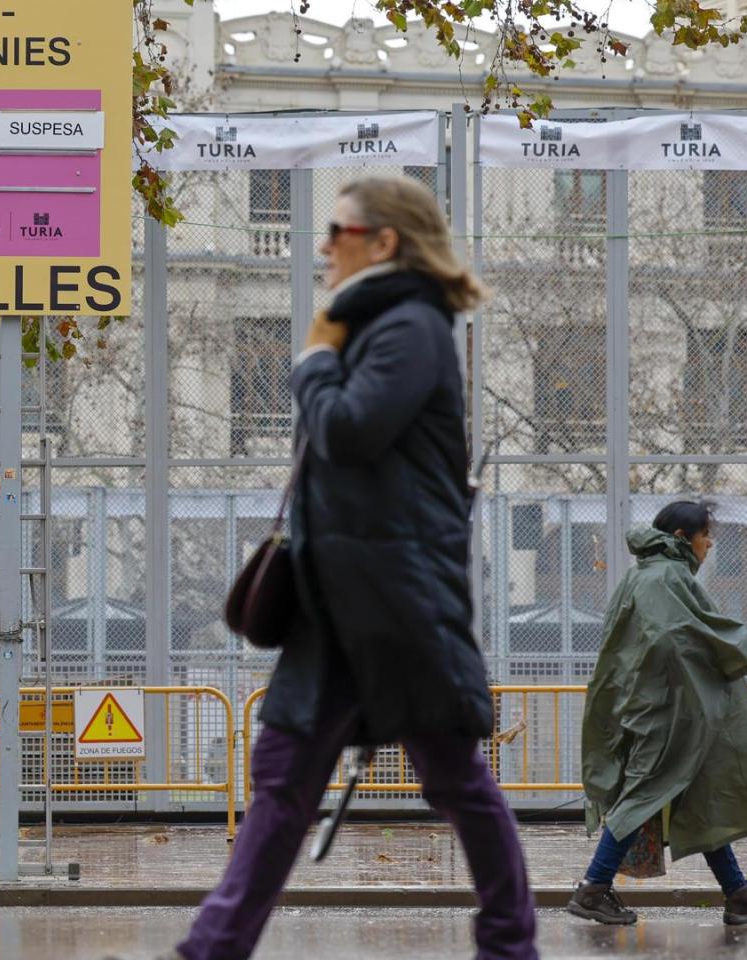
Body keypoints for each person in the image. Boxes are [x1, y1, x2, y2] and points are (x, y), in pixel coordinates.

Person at [150, 176, 538, 960]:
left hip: (396, 605)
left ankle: (509, 945)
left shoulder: (409, 327)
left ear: (383, 241)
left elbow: (350, 431)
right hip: (341, 606)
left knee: (453, 777)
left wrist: (313, 362)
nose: (323, 245)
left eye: (338, 229)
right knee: (286, 775)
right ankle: (211, 948)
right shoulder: (380, 326)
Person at [568, 501, 747, 927]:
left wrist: (729, 639)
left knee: (698, 791)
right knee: (645, 795)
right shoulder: (665, 577)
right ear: (680, 538)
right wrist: (735, 641)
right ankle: (593, 888)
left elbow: (680, 634)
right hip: (666, 715)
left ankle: (737, 895)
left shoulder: (648, 575)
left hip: (664, 709)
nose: (710, 543)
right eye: (705, 534)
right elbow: (675, 639)